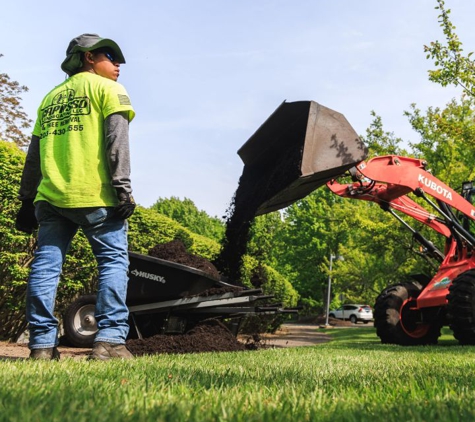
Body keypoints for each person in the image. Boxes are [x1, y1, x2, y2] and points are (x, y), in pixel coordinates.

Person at [15, 33, 136, 360]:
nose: (118, 64)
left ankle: (41, 346)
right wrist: (123, 188)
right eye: (110, 56)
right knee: (112, 261)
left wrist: (26, 200)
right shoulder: (110, 90)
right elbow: (117, 142)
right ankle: (109, 341)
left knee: (45, 266)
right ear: (88, 57)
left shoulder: (50, 98)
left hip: (50, 200)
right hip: (96, 196)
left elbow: (34, 154)